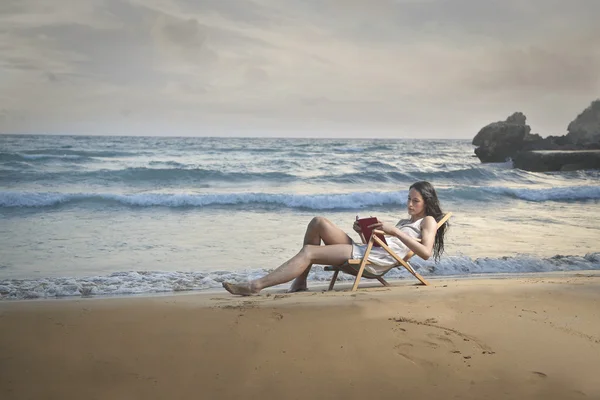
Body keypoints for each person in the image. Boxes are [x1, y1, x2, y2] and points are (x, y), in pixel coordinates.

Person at [222, 181, 448, 296]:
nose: (409, 204)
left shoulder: (426, 221)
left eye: (415, 200)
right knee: (318, 222)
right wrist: (363, 231)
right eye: (408, 199)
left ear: (426, 202)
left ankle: (255, 286)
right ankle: (300, 281)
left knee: (309, 253)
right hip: (366, 250)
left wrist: (394, 231)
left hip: (370, 261)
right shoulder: (404, 222)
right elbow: (380, 244)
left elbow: (426, 253)